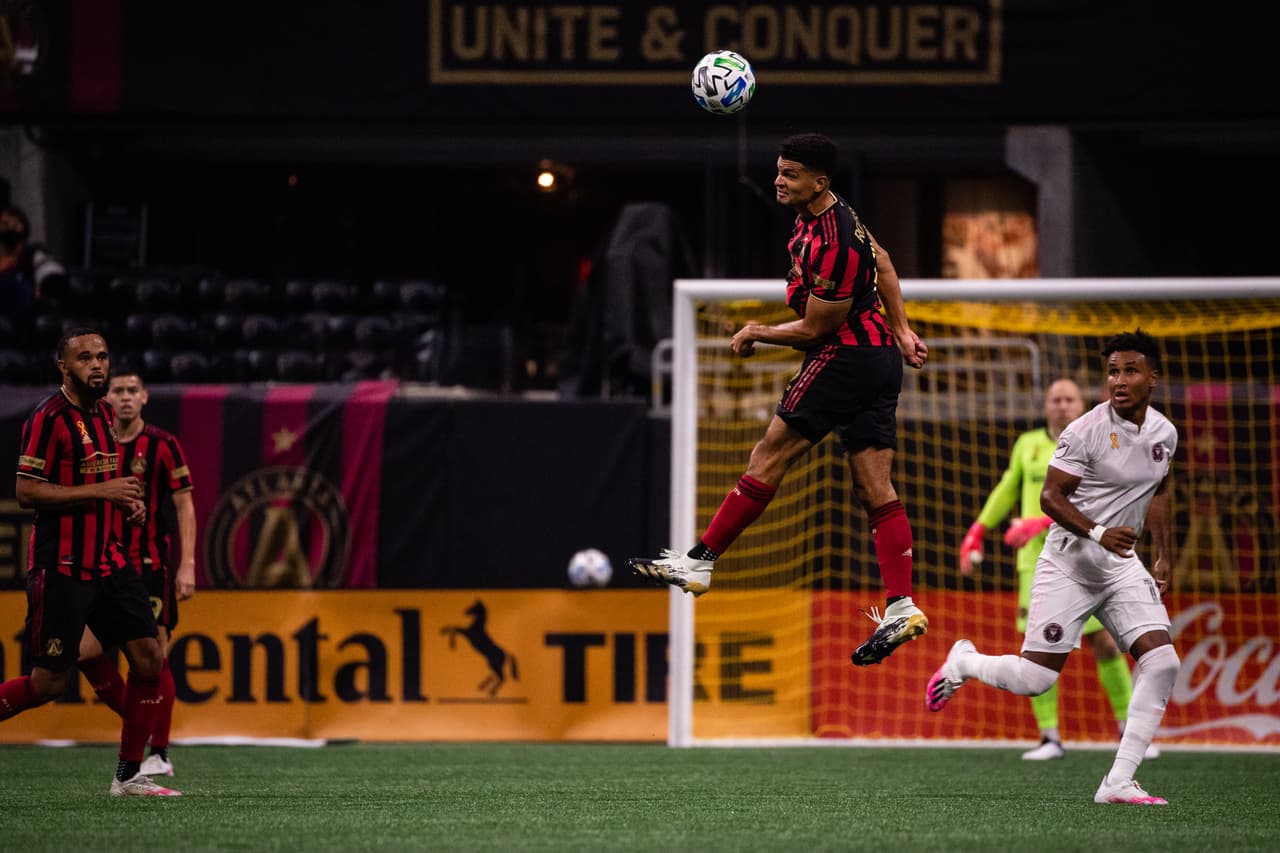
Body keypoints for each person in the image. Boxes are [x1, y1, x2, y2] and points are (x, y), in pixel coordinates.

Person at [630, 132, 931, 666]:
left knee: (770, 453)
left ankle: (700, 562)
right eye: (778, 171)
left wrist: (755, 331)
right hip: (880, 359)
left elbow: (817, 329)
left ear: (820, 181)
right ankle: (902, 606)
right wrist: (903, 330)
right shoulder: (831, 215)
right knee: (874, 486)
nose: (778, 180)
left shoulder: (834, 238)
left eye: (790, 173)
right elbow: (882, 261)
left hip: (845, 359)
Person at [928, 330, 1179, 805]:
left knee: (1163, 662)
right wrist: (1100, 532)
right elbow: (1050, 497)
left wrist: (1163, 552)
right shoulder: (1083, 430)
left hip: (1122, 566)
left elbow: (1161, 490)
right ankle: (965, 661)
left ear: (1153, 378)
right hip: (1068, 562)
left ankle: (1119, 782)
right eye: (1112, 371)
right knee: (1036, 678)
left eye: (1130, 371)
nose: (1119, 380)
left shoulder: (1165, 434)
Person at [0, 329, 180, 796]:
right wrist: (103, 491)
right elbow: (26, 492)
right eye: (85, 358)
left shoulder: (102, 414)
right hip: (61, 566)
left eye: (102, 356)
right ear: (64, 367)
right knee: (47, 685)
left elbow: (105, 476)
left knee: (148, 656)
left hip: (109, 562)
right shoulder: (48, 418)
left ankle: (128, 775)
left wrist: (125, 502)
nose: (97, 365)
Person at [959, 378, 1159, 761]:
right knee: (1036, 651)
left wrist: (1036, 524)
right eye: (1055, 400)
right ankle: (1049, 738)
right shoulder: (1028, 445)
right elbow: (1007, 488)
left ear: (1082, 404)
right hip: (1035, 564)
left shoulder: (1098, 445)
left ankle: (1131, 732)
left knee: (1103, 644)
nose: (1062, 405)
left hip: (1086, 560)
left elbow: (1101, 508)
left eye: (1069, 399)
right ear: (1046, 406)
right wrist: (978, 531)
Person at [78, 366, 196, 778]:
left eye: (133, 390)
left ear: (145, 397)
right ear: (106, 397)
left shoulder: (162, 445)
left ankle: (159, 754)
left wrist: (188, 564)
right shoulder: (95, 444)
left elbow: (184, 504)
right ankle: (140, 722)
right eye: (118, 390)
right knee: (85, 651)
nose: (125, 397)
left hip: (147, 568)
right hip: (102, 563)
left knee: (152, 656)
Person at [0, 205, 68, 318]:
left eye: (16, 225)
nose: (10, 227)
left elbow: (52, 278)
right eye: (4, 223)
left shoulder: (32, 256)